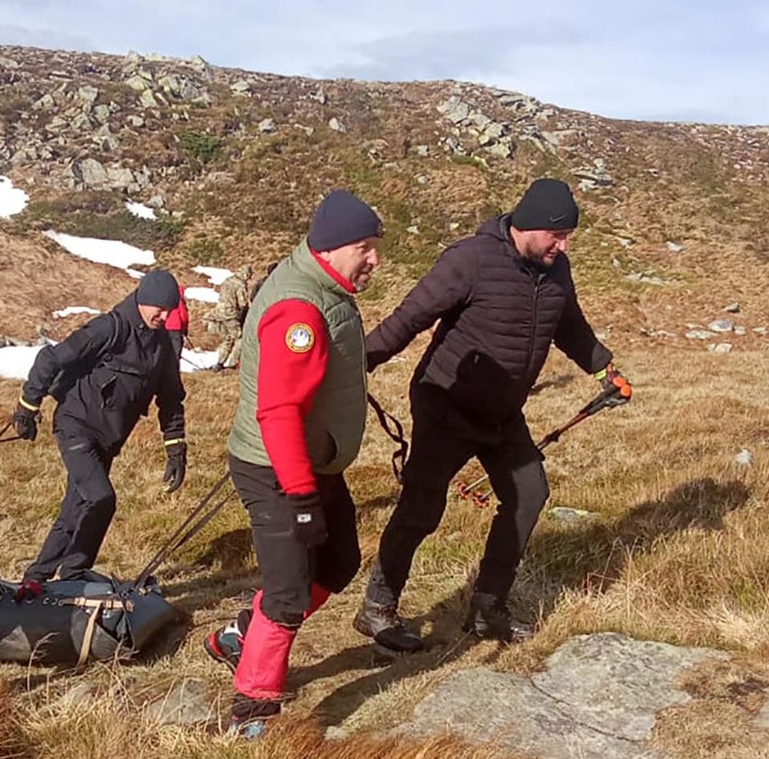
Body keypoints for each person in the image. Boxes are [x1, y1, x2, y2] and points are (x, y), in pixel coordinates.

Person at [352, 178, 632, 653]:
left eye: (567, 239)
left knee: (529, 494)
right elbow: (409, 318)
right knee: (423, 509)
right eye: (557, 237)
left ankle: (487, 608)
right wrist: (355, 361)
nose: (562, 247)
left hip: (503, 412)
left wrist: (604, 366)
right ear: (530, 225)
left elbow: (569, 325)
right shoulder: (471, 260)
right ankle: (377, 607)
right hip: (446, 404)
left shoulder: (556, 271)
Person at [203, 190, 383, 735]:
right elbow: (278, 412)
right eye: (365, 247)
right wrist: (302, 497)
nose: (374, 259)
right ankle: (252, 710)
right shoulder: (300, 310)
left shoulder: (324, 286)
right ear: (329, 249)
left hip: (311, 464)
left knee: (339, 561)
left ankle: (240, 636)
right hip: (279, 469)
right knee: (286, 593)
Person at [11, 270, 187, 593]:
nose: (163, 316)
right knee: (101, 498)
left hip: (109, 439)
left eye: (169, 310)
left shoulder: (162, 346)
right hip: (76, 426)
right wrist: (27, 407)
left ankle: (35, 579)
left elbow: (171, 399)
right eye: (158, 309)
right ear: (142, 299)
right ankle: (74, 573)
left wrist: (176, 449)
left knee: (75, 509)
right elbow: (50, 358)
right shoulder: (110, 327)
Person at [209, 264, 252, 371]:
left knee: (228, 338)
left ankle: (220, 362)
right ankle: (233, 363)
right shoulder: (240, 284)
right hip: (231, 314)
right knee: (239, 338)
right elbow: (242, 302)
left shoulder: (227, 281)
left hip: (220, 313)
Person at [164, 284, 190, 362]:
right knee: (175, 351)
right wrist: (185, 329)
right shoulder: (179, 301)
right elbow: (184, 316)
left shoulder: (166, 299)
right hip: (176, 328)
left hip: (165, 328)